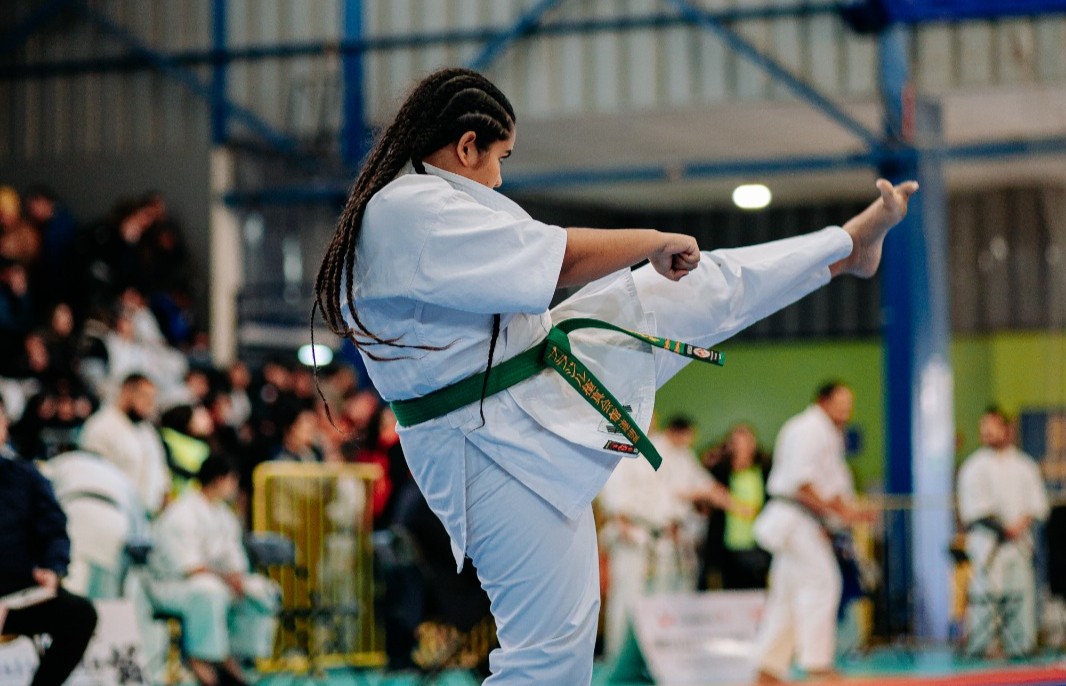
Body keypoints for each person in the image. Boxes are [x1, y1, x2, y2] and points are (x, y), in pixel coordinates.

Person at [310, 67, 917, 684]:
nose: (499, 178)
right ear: (467, 146)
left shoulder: (413, 205)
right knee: (549, 655)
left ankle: (842, 250)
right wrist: (650, 239)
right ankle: (842, 251)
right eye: (499, 158)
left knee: (697, 288)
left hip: (529, 389)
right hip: (488, 444)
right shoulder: (410, 210)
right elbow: (558, 259)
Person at [751, 382, 868, 682]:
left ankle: (768, 666)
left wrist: (847, 513)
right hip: (795, 518)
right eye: (840, 404)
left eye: (848, 405)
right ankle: (816, 663)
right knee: (822, 582)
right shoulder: (807, 429)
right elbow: (803, 484)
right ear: (823, 401)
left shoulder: (829, 434)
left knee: (787, 594)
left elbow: (833, 485)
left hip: (805, 520)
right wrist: (836, 513)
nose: (845, 411)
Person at [599, 415, 735, 657]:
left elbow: (675, 492)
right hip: (634, 534)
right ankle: (618, 657)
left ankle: (652, 658)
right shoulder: (618, 449)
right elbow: (614, 496)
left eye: (652, 418)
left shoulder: (659, 452)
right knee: (628, 598)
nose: (650, 422)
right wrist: (622, 524)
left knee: (659, 601)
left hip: (661, 536)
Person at [148, 454, 279, 686]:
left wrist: (238, 578)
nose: (234, 486)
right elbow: (189, 567)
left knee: (262, 590)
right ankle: (201, 659)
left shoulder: (224, 515)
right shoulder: (181, 513)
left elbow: (234, 558)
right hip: (172, 586)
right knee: (210, 591)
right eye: (232, 480)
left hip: (216, 580)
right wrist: (227, 579)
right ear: (220, 480)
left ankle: (236, 655)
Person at [0, 397, 98, 686]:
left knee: (80, 614)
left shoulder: (26, 476)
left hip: (18, 590)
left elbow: (54, 529)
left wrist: (53, 569)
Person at [956, 407, 1049, 657]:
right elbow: (972, 509)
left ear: (1007, 429)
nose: (988, 432)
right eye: (984, 428)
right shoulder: (974, 467)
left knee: (1021, 595)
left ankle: (1021, 645)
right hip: (988, 544)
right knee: (985, 596)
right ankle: (982, 646)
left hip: (1019, 543)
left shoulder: (1025, 465)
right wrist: (1002, 528)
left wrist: (1018, 526)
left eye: (993, 427)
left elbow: (1037, 505)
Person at [79, 373, 170, 515]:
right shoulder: (100, 426)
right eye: (145, 396)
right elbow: (93, 476)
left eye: (152, 398)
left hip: (147, 515)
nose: (150, 403)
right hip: (113, 511)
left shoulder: (147, 431)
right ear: (127, 392)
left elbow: (160, 473)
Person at [700, 423, 772, 591]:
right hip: (727, 545)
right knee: (730, 593)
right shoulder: (720, 471)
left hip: (757, 545)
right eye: (736, 442)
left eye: (746, 442)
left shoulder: (765, 469)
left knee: (756, 592)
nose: (741, 447)